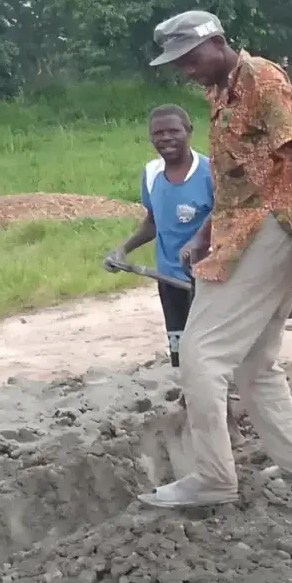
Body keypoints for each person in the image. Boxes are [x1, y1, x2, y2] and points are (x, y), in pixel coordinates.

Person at [139, 10, 292, 508]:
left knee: (200, 354)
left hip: (272, 227)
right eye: (177, 63)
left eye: (189, 58)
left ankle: (211, 477)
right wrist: (206, 232)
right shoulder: (219, 91)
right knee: (255, 363)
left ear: (218, 43)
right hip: (242, 228)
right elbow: (239, 178)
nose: (185, 69)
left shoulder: (261, 78)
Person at [103, 105, 246, 443]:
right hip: (170, 280)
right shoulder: (152, 174)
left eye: (172, 131)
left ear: (188, 131)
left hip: (209, 279)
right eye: (158, 133)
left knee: (209, 353)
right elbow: (153, 222)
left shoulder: (211, 173)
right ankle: (197, 407)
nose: (165, 138)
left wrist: (203, 248)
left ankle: (228, 423)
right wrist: (123, 249)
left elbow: (232, 222)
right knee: (183, 350)